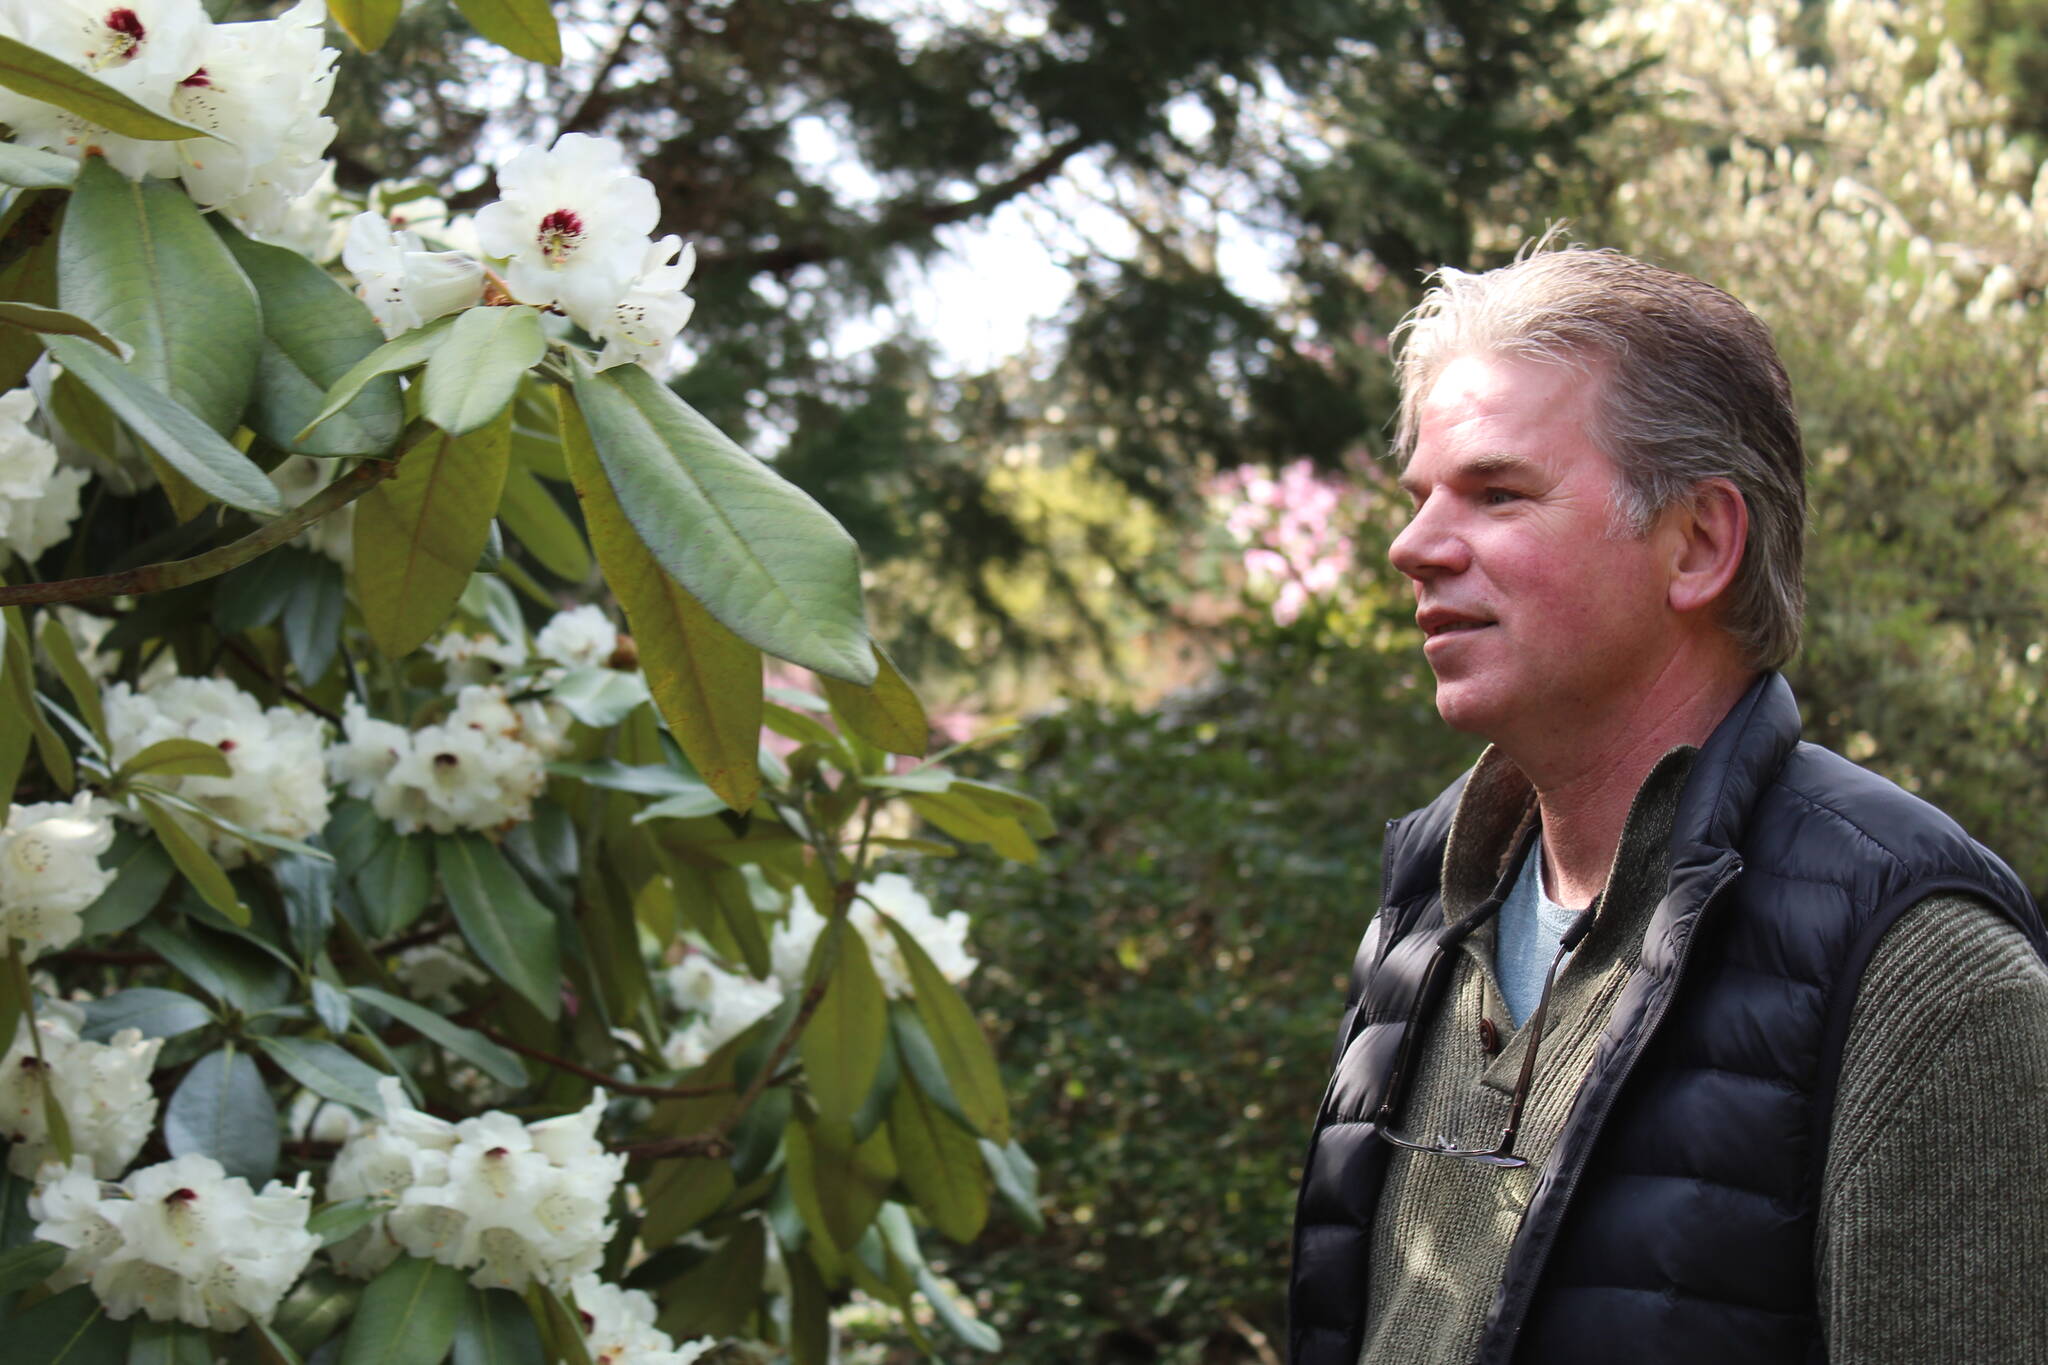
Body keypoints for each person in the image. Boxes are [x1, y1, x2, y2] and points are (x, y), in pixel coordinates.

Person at [1286, 244, 2048, 1365]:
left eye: (1496, 493)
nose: (1411, 548)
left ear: (1696, 544)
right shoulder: (1424, 914)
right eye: (1419, 500)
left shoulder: (1922, 971)